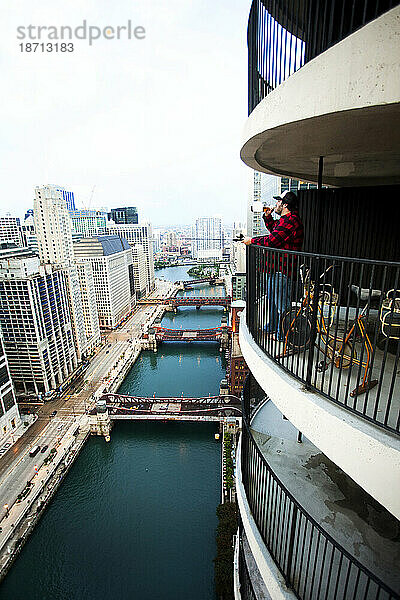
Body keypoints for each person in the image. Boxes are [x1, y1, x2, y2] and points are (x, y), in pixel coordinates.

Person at [242, 190, 304, 340]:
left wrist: (252, 241)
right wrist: (268, 216)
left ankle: (283, 334)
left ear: (285, 205)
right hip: (275, 269)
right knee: (273, 301)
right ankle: (272, 327)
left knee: (282, 305)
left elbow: (272, 240)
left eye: (278, 201)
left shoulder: (291, 221)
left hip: (282, 271)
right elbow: (274, 229)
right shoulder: (285, 220)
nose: (276, 204)